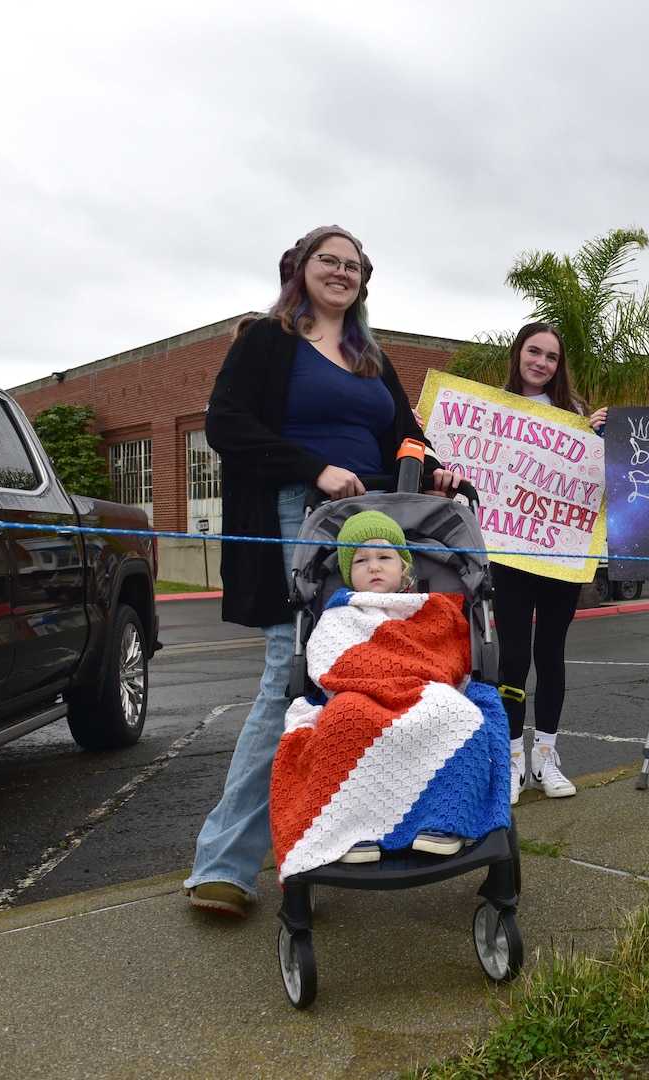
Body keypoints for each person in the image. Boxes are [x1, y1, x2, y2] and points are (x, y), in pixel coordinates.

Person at [185, 225, 457, 917]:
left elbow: (406, 432)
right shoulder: (267, 342)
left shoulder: (369, 356)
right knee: (292, 669)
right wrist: (314, 467)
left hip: (377, 521)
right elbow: (226, 423)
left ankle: (341, 832)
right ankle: (224, 864)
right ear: (299, 270)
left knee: (373, 666)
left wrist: (434, 465)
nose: (341, 272)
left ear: (364, 280)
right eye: (327, 261)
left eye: (353, 265)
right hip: (296, 510)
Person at [269, 511, 509, 877]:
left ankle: (444, 817)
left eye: (384, 557)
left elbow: (447, 654)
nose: (374, 567)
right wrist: (374, 678)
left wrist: (411, 677)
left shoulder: (429, 608)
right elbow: (327, 659)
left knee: (459, 715)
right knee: (343, 718)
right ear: (349, 573)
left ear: (404, 566)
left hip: (423, 689)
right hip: (357, 694)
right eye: (361, 560)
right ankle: (350, 828)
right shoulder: (340, 613)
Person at [497, 322, 590, 802]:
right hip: (509, 557)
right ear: (518, 354)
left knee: (550, 654)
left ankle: (547, 756)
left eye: (551, 357)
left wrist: (603, 434)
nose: (541, 363)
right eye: (534, 352)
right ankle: (513, 758)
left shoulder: (576, 416)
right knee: (512, 658)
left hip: (561, 554)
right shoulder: (488, 411)